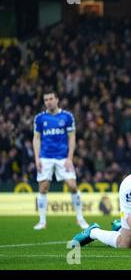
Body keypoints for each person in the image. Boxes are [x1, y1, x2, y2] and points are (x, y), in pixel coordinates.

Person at [32, 90, 88, 230]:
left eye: (51, 98)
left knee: (72, 186)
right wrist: (37, 158)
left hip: (63, 157)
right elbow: (36, 138)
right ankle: (42, 221)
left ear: (57, 99)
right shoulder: (39, 118)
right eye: (46, 100)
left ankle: (80, 218)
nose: (48, 102)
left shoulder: (67, 117)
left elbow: (72, 137)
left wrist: (70, 158)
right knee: (43, 187)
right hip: (45, 157)